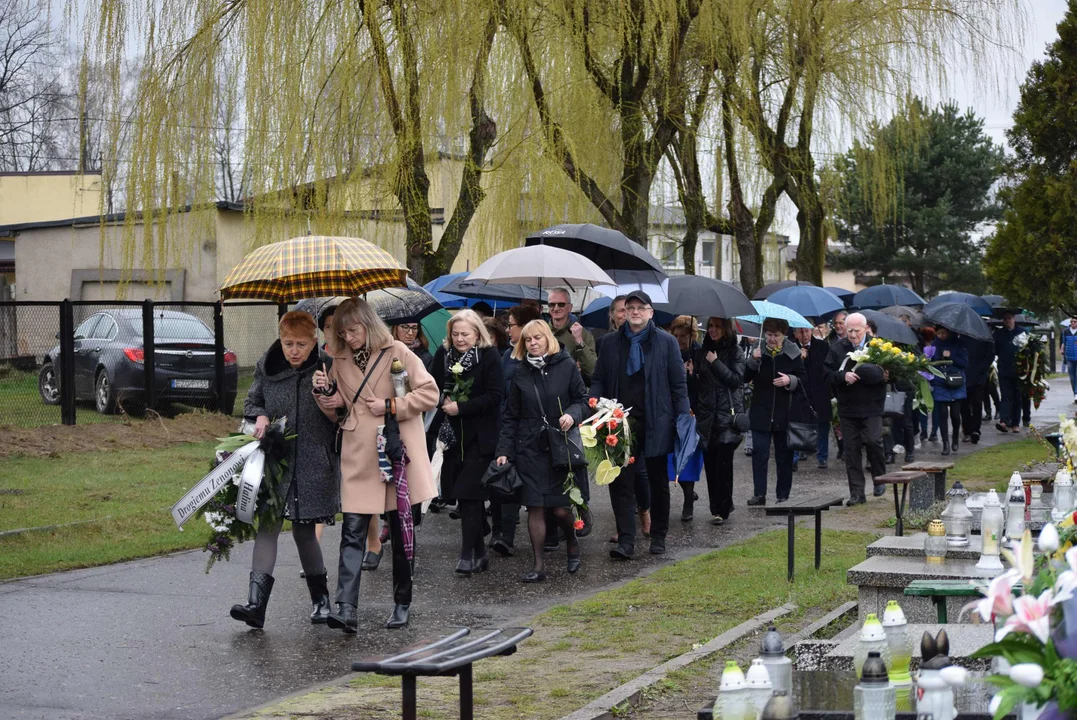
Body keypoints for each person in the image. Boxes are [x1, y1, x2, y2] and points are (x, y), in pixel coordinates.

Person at [314, 298, 438, 632]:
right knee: (352, 531)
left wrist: (390, 404)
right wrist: (327, 397)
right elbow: (340, 412)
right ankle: (345, 608)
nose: (349, 337)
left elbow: (430, 394)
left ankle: (401, 603)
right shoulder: (337, 360)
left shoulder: (398, 350)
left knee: (400, 533)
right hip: (359, 454)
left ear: (368, 325)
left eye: (353, 330)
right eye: (343, 332)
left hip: (396, 453)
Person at [231, 311, 340, 629]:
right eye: (288, 343)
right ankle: (256, 605)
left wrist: (327, 392)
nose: (294, 350)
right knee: (268, 526)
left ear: (314, 342)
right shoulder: (268, 366)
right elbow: (251, 402)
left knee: (305, 532)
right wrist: (260, 416)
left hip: (313, 462)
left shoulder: (327, 367)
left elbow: (343, 414)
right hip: (275, 461)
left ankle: (321, 602)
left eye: (301, 344)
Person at [590, 291, 690, 558]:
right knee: (620, 482)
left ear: (650, 312)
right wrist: (598, 406)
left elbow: (678, 385)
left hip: (657, 420)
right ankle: (626, 541)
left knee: (657, 481)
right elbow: (598, 377)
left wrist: (682, 419)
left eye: (640, 308)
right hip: (620, 423)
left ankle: (658, 536)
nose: (634, 312)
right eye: (629, 307)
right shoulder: (610, 343)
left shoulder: (666, 343)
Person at [496, 320, 589, 582]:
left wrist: (571, 414)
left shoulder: (567, 365)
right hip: (529, 448)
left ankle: (571, 541)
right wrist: (504, 450)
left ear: (548, 338)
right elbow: (511, 415)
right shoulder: (520, 372)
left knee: (560, 510)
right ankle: (538, 565)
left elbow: (583, 401)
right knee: (535, 507)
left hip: (559, 448)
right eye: (528, 339)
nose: (533, 343)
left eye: (538, 338)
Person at [429, 309, 504, 575]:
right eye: (456, 334)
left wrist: (463, 407)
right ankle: (481, 553)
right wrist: (443, 401)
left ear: (477, 334)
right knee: (462, 496)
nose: (460, 339)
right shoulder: (443, 355)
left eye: (465, 334)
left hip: (481, 436)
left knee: (469, 494)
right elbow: (432, 387)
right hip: (452, 437)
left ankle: (466, 556)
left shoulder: (489, 355)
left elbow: (495, 395)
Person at [490, 305, 543, 556]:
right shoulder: (508, 355)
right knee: (506, 478)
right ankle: (503, 535)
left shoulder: (542, 358)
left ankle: (549, 534)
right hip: (508, 426)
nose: (508, 329)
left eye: (511, 324)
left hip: (534, 430)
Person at [825, 312, 887, 506]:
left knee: (873, 440)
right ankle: (857, 493)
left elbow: (892, 371)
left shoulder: (878, 347)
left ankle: (879, 477)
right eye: (849, 330)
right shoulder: (836, 349)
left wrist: (885, 375)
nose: (852, 335)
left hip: (872, 405)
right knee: (851, 451)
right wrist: (842, 376)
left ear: (866, 328)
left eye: (856, 331)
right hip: (848, 407)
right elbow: (826, 375)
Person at [743, 319, 807, 505]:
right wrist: (753, 361)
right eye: (769, 334)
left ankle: (783, 494)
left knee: (784, 456)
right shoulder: (757, 349)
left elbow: (804, 380)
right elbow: (745, 377)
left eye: (776, 335)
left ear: (784, 335)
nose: (771, 339)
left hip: (784, 412)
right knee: (759, 454)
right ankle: (759, 494)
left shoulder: (793, 353)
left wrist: (790, 380)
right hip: (761, 411)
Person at [692, 317, 745, 524]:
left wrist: (716, 363)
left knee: (724, 463)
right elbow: (698, 384)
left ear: (726, 328)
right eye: (710, 326)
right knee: (711, 463)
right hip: (707, 416)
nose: (713, 330)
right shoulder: (702, 352)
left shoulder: (735, 352)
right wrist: (691, 372)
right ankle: (717, 506)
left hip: (727, 415)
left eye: (717, 326)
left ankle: (722, 509)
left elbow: (735, 380)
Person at [669, 315, 702, 520]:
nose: (680, 340)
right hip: (673, 411)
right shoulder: (671, 352)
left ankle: (688, 499)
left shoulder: (698, 353)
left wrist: (694, 373)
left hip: (693, 411)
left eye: (684, 336)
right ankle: (687, 491)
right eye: (677, 335)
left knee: (688, 458)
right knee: (672, 458)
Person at [792, 326, 833, 469]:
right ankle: (795, 457)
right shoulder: (791, 347)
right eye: (800, 331)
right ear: (795, 333)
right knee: (797, 424)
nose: (804, 335)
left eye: (807, 331)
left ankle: (822, 457)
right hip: (800, 392)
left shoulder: (822, 346)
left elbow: (826, 368)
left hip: (819, 392)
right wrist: (799, 358)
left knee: (822, 424)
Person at [547, 288, 598, 384]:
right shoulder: (541, 332)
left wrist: (579, 342)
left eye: (561, 304)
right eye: (552, 304)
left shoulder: (583, 334)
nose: (556, 308)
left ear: (570, 307)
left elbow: (593, 371)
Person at [930, 326, 968, 456]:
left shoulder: (959, 343)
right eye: (939, 333)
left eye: (943, 333)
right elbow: (928, 362)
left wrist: (951, 356)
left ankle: (955, 437)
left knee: (955, 415)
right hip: (940, 382)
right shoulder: (934, 345)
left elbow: (964, 363)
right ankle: (945, 443)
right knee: (942, 414)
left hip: (956, 381)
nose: (941, 336)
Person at [993, 311, 1026, 433]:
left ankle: (1015, 423)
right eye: (1005, 318)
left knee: (1017, 397)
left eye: (1009, 318)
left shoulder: (1022, 332)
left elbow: (1028, 350)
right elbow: (994, 350)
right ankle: (1004, 421)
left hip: (1019, 370)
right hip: (1004, 369)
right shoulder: (999, 334)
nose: (1007, 321)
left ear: (1014, 319)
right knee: (1005, 396)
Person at [960, 336, 995, 445]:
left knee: (977, 403)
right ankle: (967, 430)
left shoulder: (984, 337)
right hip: (964, 375)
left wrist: (981, 369)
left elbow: (990, 355)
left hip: (979, 376)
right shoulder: (960, 337)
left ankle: (975, 430)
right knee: (964, 405)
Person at [1062, 318, 1077, 403]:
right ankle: (1074, 394)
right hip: (1069, 357)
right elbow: (1064, 342)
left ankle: (1076, 394)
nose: (1073, 323)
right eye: (1072, 322)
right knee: (1072, 377)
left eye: (1075, 321)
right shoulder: (1066, 331)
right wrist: (1063, 351)